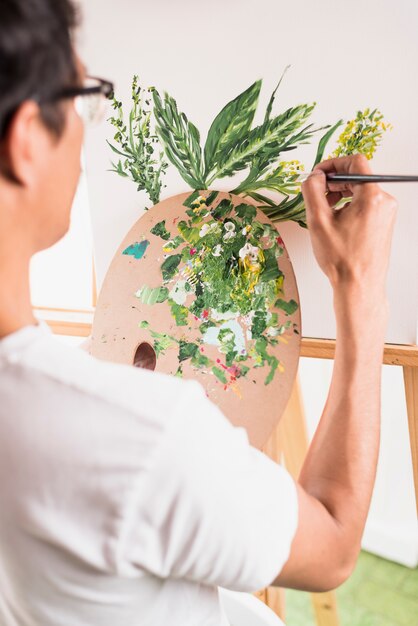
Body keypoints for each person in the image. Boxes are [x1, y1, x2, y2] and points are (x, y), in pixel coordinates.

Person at [0, 0, 398, 625]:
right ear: (26, 140)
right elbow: (333, 542)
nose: (88, 128)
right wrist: (361, 287)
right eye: (84, 97)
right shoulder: (138, 436)